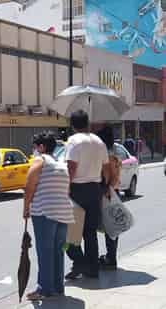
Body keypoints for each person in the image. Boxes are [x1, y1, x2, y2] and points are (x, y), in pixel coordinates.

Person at [24, 132, 74, 300]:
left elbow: (29, 185)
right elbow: (66, 190)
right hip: (63, 212)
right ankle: (58, 287)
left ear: (42, 147)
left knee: (45, 251)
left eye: (35, 147)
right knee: (57, 251)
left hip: (44, 212)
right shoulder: (60, 164)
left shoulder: (40, 161)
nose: (34, 151)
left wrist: (26, 208)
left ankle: (44, 289)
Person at [65, 110, 110, 280]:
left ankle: (79, 262)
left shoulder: (74, 141)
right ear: (88, 123)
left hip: (77, 190)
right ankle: (92, 268)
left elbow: (71, 167)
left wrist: (66, 188)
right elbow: (106, 168)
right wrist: (104, 186)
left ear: (73, 125)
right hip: (94, 189)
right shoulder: (99, 141)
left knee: (71, 233)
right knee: (90, 233)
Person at [97, 126, 122, 270]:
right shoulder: (115, 152)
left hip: (109, 193)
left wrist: (106, 191)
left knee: (110, 228)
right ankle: (111, 256)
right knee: (112, 227)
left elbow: (110, 177)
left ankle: (111, 258)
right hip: (114, 192)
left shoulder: (108, 156)